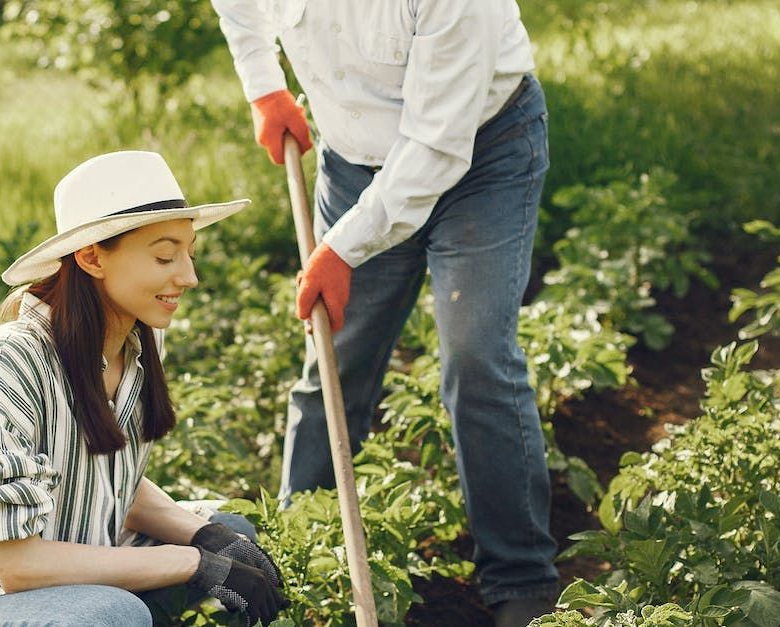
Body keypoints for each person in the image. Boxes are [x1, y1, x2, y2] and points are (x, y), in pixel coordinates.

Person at [209, 1, 558, 623]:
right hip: (352, 161)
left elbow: (436, 143)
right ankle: (299, 555)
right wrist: (265, 88)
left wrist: (342, 249)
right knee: (334, 359)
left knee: (477, 358)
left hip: (483, 153)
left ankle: (520, 579)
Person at [0, 151, 289, 627]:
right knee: (112, 614)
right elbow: (18, 566)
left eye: (189, 252)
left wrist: (208, 540)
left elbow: (102, 480)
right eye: (165, 255)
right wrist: (194, 563)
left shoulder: (139, 339)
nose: (188, 276)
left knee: (236, 535)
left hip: (60, 573)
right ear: (92, 257)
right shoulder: (11, 360)